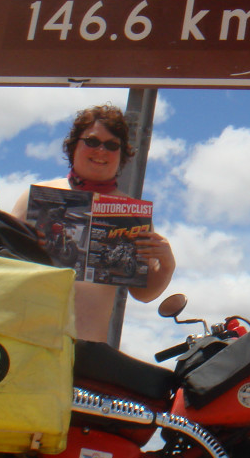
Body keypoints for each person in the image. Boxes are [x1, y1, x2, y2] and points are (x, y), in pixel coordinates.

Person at [12, 103, 175, 342]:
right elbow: (1, 258)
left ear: (122, 155)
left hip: (88, 351)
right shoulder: (37, 196)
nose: (101, 151)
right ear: (74, 145)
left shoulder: (131, 212)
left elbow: (144, 293)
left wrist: (167, 263)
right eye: (92, 141)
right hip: (29, 339)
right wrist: (25, 245)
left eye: (112, 145)